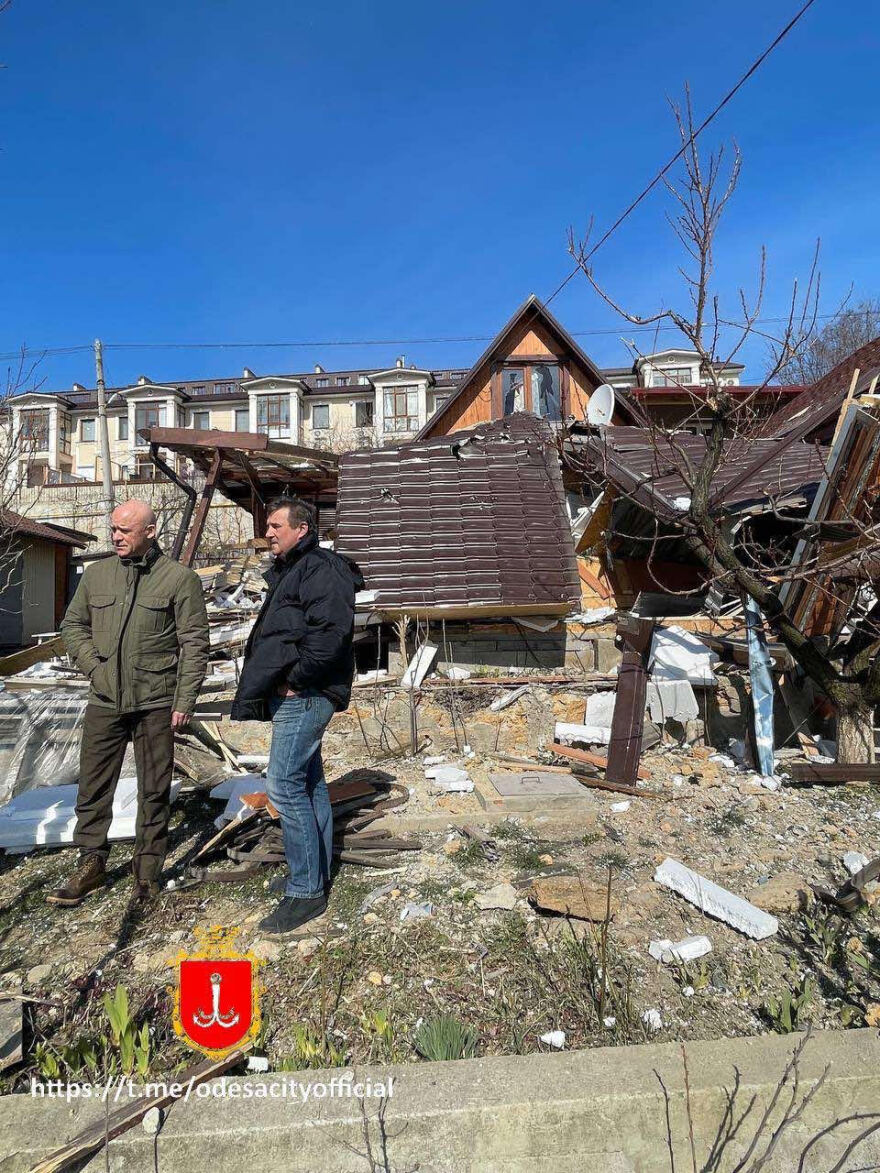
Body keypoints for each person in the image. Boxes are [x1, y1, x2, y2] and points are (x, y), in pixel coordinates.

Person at [48, 499, 209, 908]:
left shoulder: (179, 579)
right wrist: (95, 670)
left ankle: (147, 873)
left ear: (150, 532)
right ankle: (91, 862)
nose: (116, 536)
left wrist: (184, 699)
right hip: (105, 699)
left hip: (156, 701)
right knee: (93, 785)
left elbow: (194, 644)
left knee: (154, 790)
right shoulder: (97, 574)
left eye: (125, 530)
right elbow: (73, 626)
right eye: (114, 528)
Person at [231, 495, 363, 936]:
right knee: (308, 784)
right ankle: (314, 875)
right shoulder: (294, 570)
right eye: (267, 526)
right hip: (301, 692)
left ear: (301, 529)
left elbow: (331, 636)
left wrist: (296, 679)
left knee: (283, 787)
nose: (268, 533)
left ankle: (306, 892)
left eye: (275, 525)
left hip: (307, 694)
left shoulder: (322, 570)